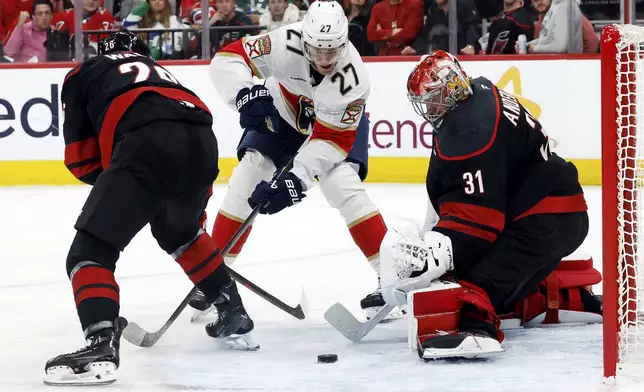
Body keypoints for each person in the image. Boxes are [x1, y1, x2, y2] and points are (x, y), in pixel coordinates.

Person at [43, 30, 256, 387]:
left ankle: (100, 346)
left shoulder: (85, 71)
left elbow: (79, 158)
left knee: (88, 253)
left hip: (146, 144)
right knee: (182, 232)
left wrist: (123, 191)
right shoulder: (161, 72)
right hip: (204, 143)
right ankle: (232, 309)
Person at [378, 50, 602, 360]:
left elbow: (479, 224)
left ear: (449, 89)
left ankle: (477, 328)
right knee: (473, 265)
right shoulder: (478, 92)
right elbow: (449, 191)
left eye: (431, 97)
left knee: (469, 283)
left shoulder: (470, 131)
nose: (427, 106)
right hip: (551, 209)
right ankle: (541, 299)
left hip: (544, 220)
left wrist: (433, 259)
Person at [189, 0, 390, 324]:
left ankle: (392, 275)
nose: (324, 59)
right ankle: (215, 275)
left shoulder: (354, 81)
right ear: (304, 40)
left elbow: (331, 140)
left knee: (344, 187)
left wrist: (294, 181)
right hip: (281, 115)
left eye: (332, 51)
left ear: (345, 42)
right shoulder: (284, 42)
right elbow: (228, 59)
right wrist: (243, 93)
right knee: (246, 181)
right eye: (317, 50)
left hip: (332, 131)